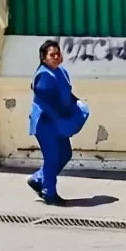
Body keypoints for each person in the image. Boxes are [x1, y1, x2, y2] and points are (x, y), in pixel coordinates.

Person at [27, 40, 87, 205]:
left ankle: (38, 178)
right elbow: (46, 101)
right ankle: (49, 194)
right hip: (46, 123)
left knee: (65, 153)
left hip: (60, 122)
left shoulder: (61, 71)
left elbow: (67, 93)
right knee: (52, 158)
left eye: (57, 54)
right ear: (44, 58)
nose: (56, 57)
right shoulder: (43, 75)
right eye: (51, 55)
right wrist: (62, 119)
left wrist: (78, 103)